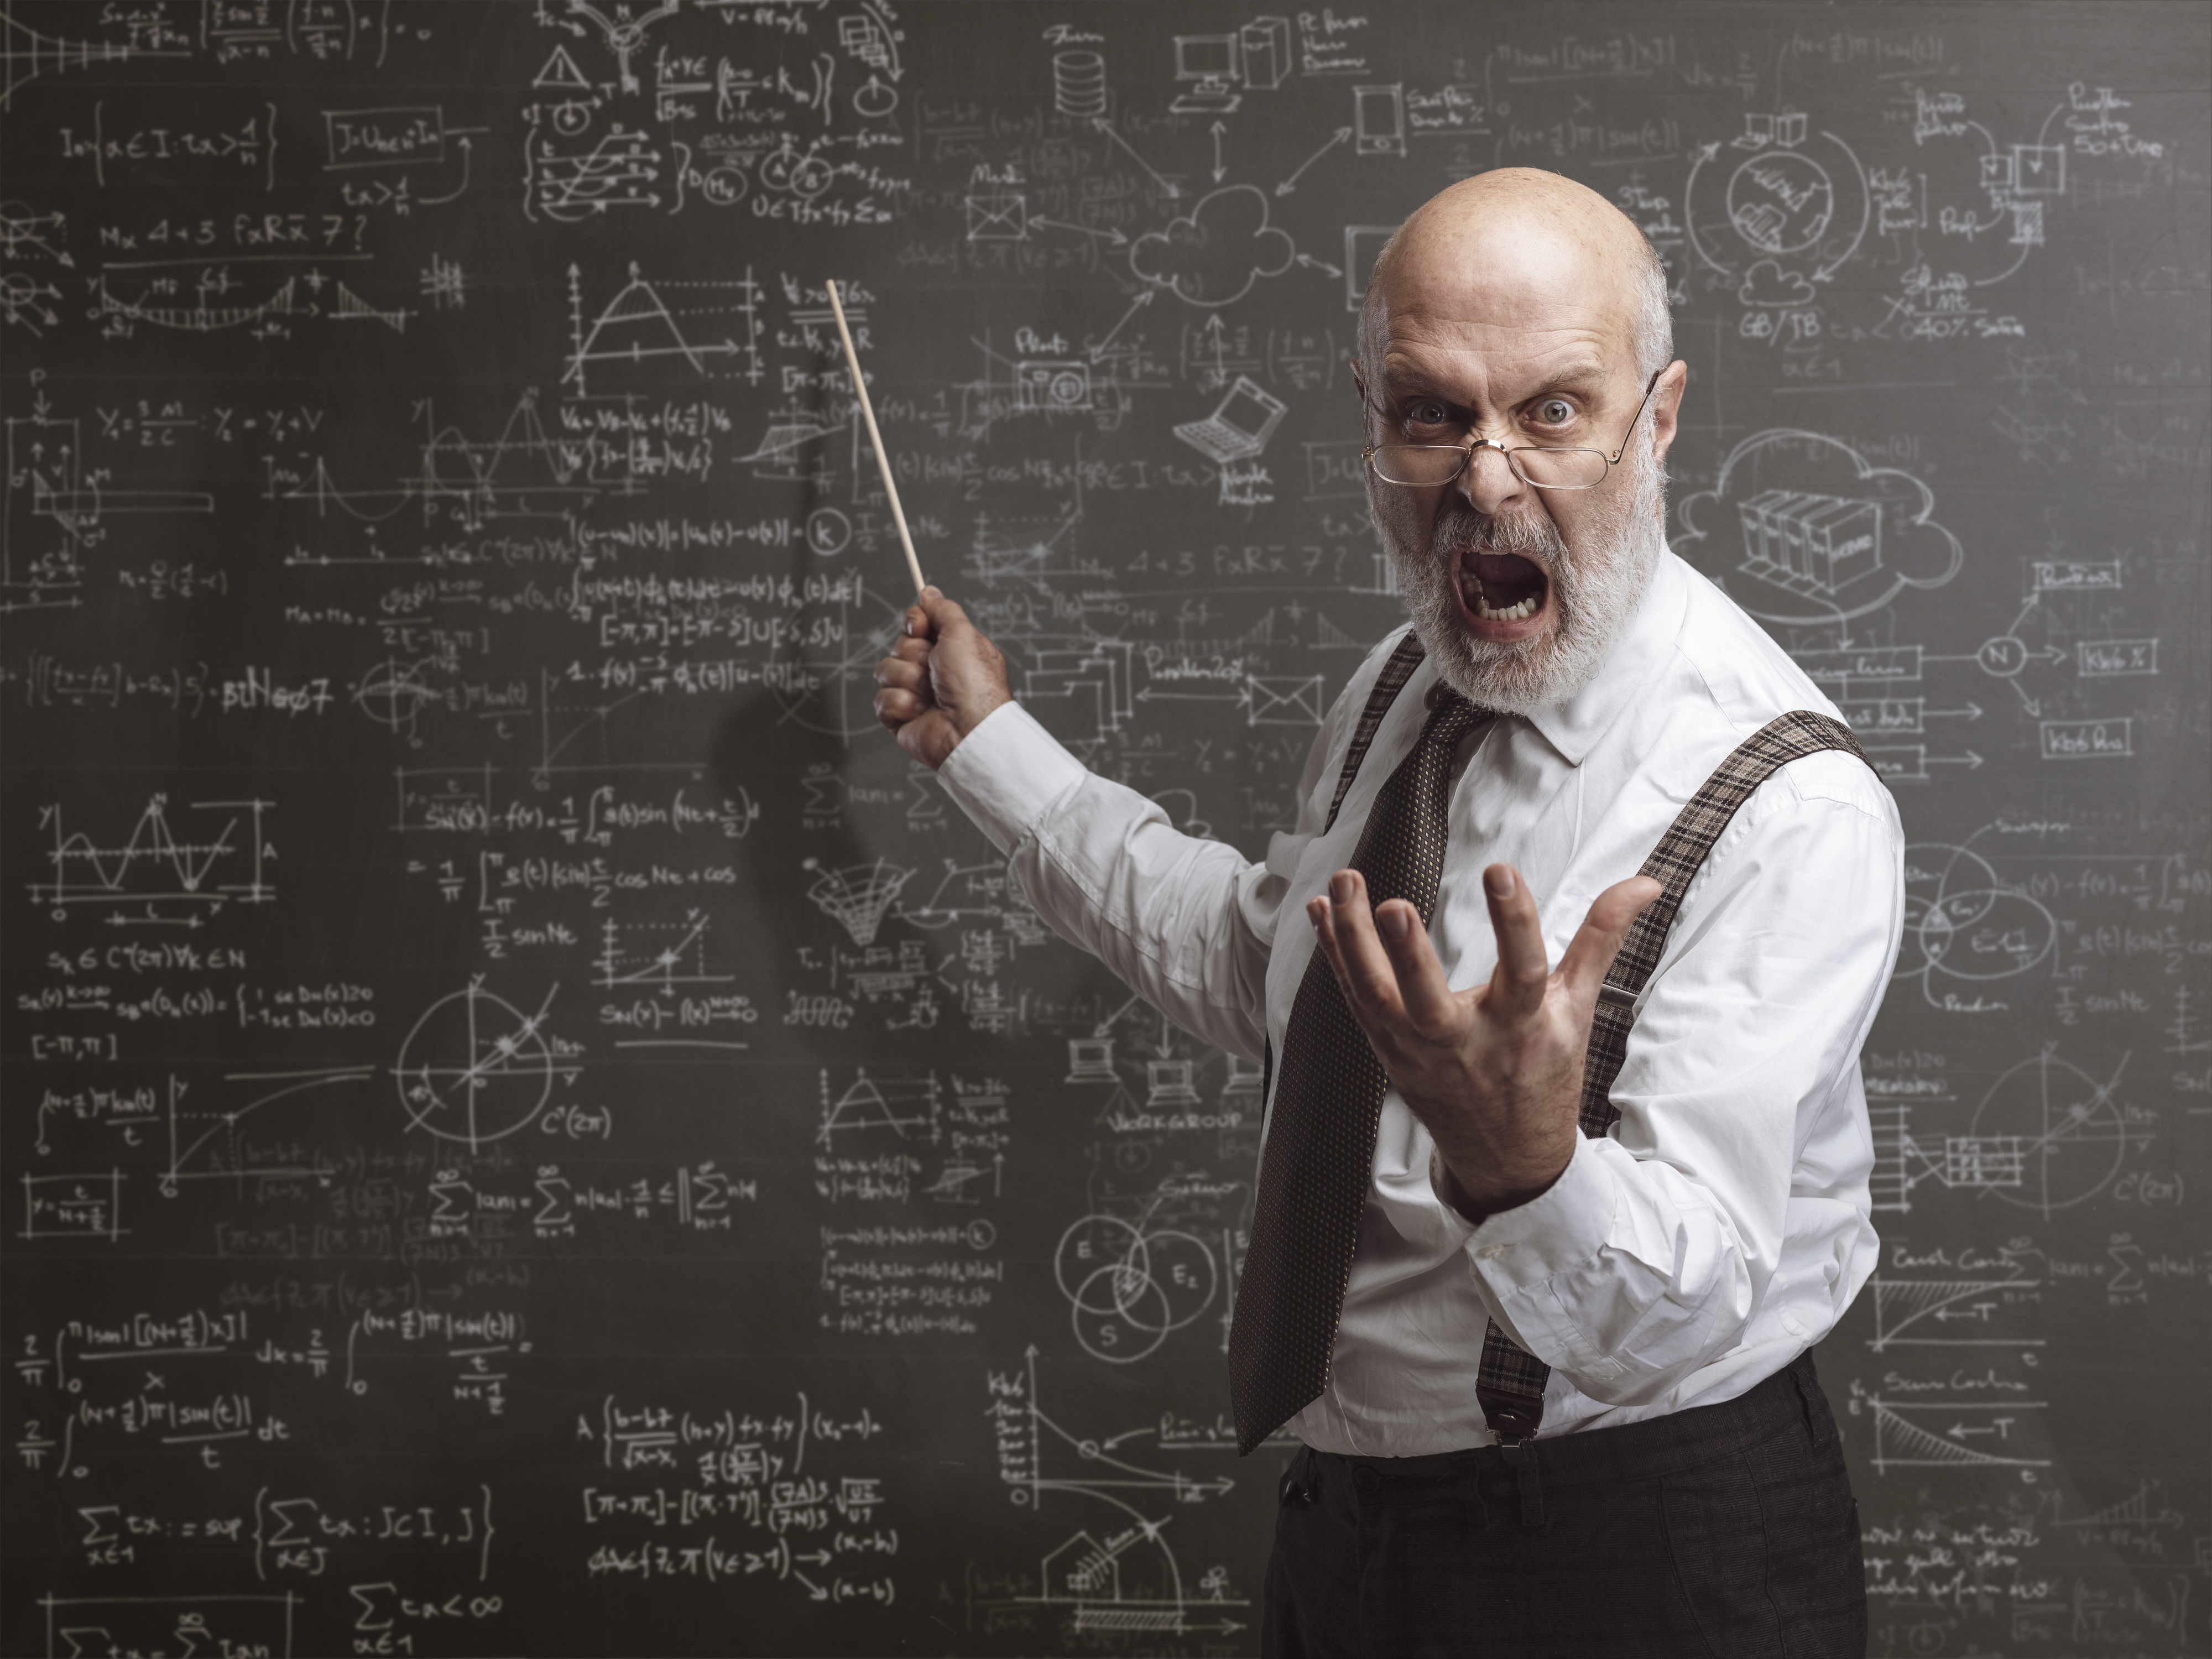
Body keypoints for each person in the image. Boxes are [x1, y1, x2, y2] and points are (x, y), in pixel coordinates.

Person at [875, 168, 1902, 1657]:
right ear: (1371, 421)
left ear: (1658, 420)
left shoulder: (1787, 806)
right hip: (1354, 1536)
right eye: (1433, 414)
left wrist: (1526, 1163)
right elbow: (1276, 976)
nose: (1488, 481)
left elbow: (1689, 1306)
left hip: (1641, 1553)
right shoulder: (1400, 690)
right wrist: (995, 755)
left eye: (1554, 410)